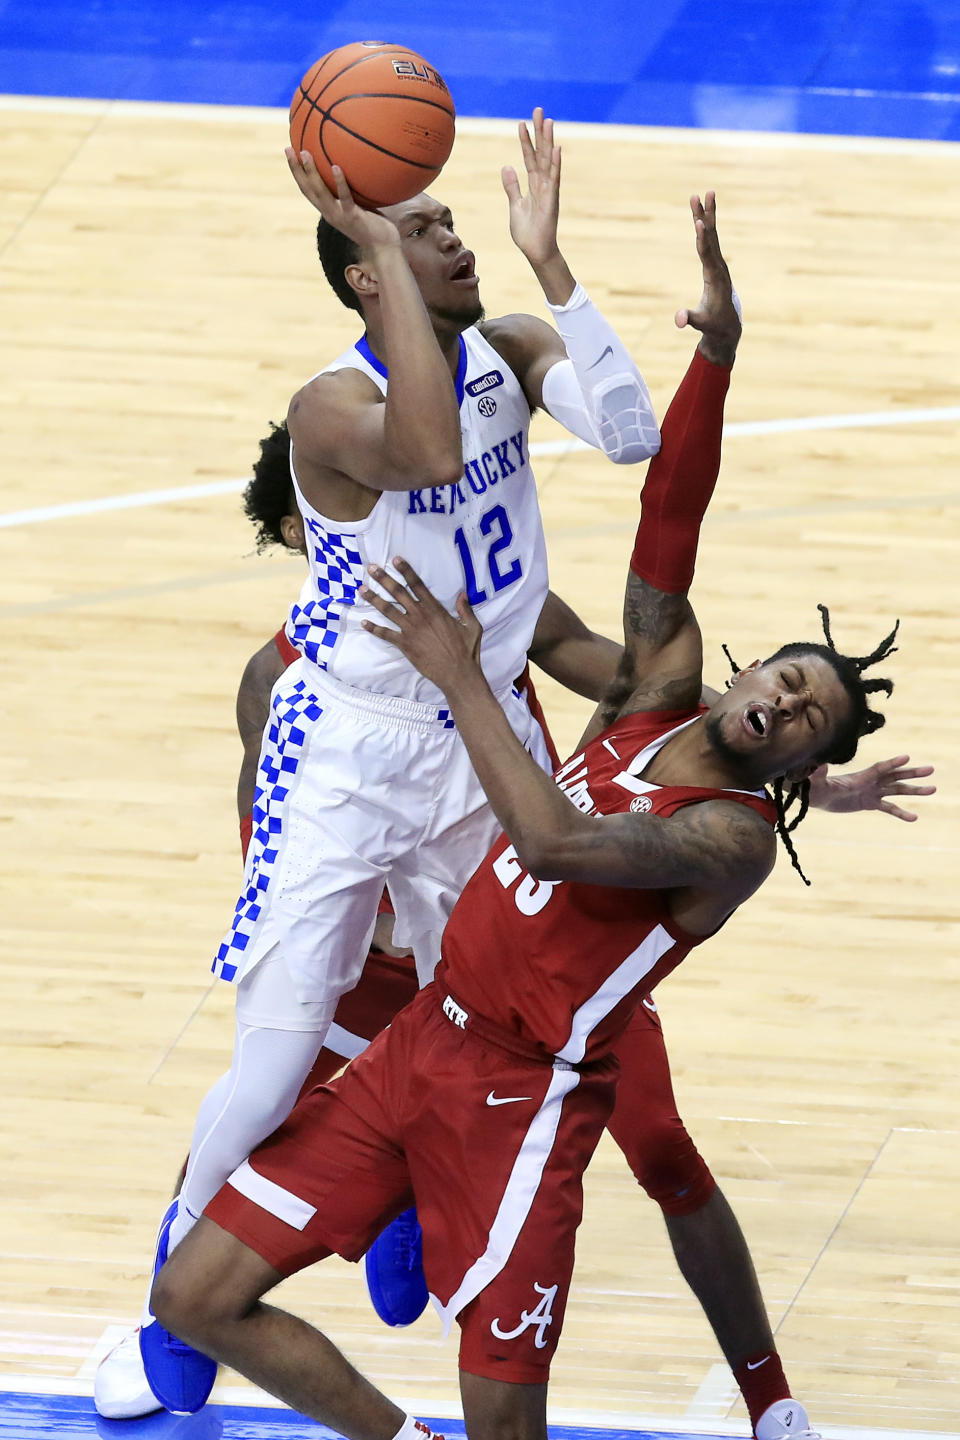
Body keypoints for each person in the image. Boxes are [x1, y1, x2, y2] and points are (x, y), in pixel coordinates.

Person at [146, 194, 911, 1440]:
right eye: (785, 676)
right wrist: (715, 356)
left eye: (805, 717)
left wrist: (459, 675)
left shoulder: (733, 839)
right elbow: (675, 511)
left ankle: (769, 1401)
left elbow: (554, 839)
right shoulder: (660, 687)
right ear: (740, 668)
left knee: (643, 1179)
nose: (782, 701)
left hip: (530, 1084)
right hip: (427, 1032)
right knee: (205, 1280)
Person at [98, 108, 667, 1417]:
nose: (460, 237)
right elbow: (421, 451)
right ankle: (180, 1255)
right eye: (429, 229)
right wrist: (373, 234)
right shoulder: (332, 408)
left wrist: (556, 268)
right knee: (280, 1044)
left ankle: (403, 1185)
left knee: (492, 1018)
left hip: (483, 738)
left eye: (455, 222)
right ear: (365, 270)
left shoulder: (514, 352)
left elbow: (632, 436)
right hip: (352, 747)